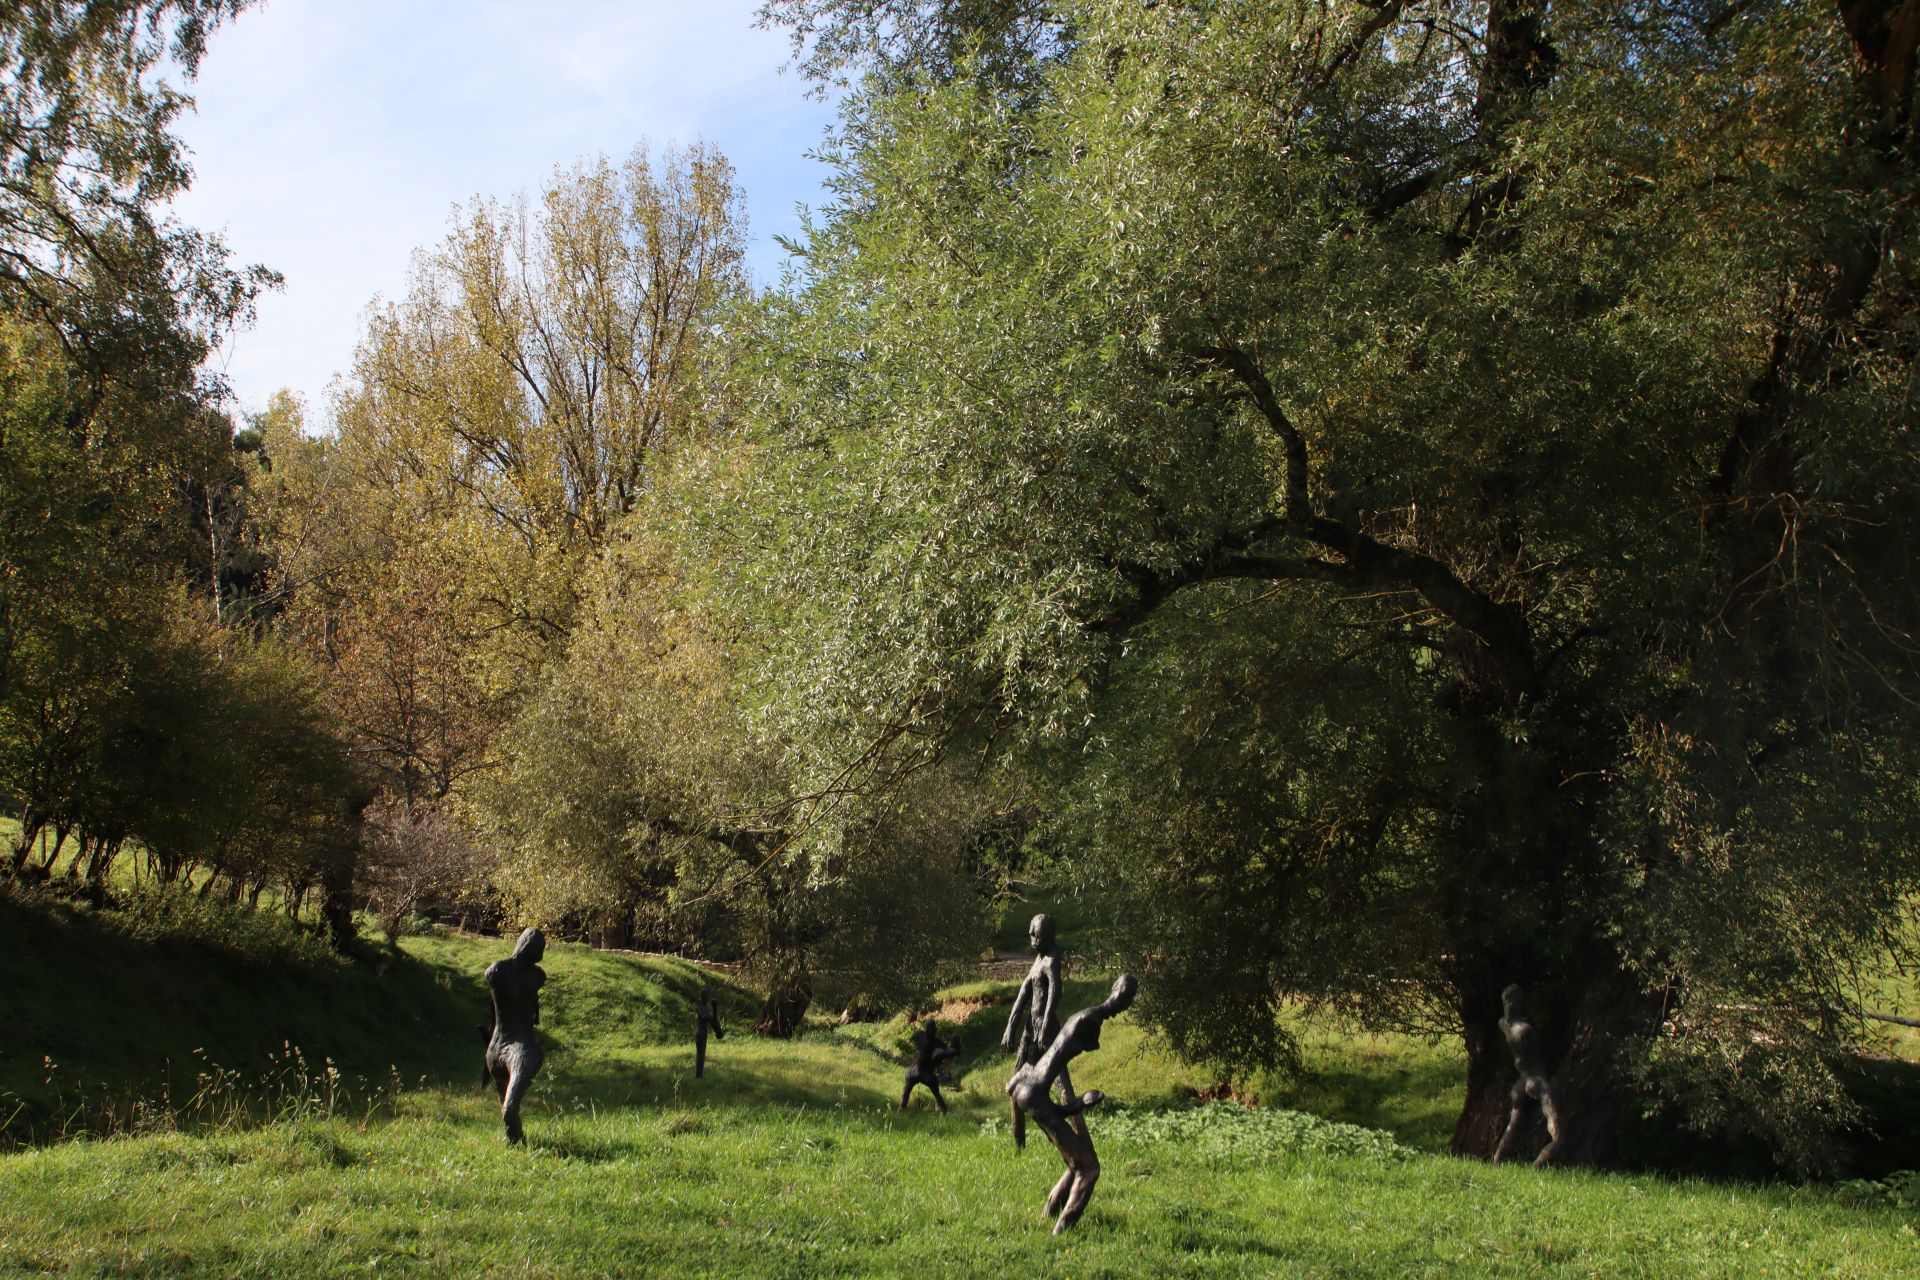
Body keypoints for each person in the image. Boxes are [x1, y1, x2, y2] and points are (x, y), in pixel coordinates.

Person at [1006, 973, 1137, 1234]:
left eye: (1128, 997)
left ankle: (1049, 1212)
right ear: (1114, 991)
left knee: (1075, 1160)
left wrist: (1079, 1103)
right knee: (1089, 1169)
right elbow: (1056, 1060)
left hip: (1031, 1091)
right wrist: (1074, 1102)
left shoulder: (1085, 1016)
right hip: (1035, 1092)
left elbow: (1055, 1064)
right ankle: (1061, 1233)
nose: (1125, 1002)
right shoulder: (1089, 1020)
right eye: (1124, 995)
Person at [1000, 912, 1081, 1148]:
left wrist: (1045, 1026)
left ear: (1047, 935)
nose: (1032, 938)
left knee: (1061, 1082)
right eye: (1031, 934)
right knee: (1015, 1083)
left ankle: (1078, 1133)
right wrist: (1010, 1027)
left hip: (1047, 1030)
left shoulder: (1051, 960)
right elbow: (1023, 994)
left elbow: (1055, 993)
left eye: (1037, 934)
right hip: (1029, 1031)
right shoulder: (1037, 961)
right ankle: (1019, 1142)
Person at [484, 926, 547, 1144]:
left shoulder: (538, 976)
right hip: (497, 1047)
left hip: (522, 1049)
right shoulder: (497, 971)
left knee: (509, 1109)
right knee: (507, 1108)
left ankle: (518, 1145)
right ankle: (516, 1145)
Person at [1492, 982, 1566, 1167]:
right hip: (1537, 1080)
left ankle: (1498, 1160)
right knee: (1559, 1136)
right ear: (1519, 1002)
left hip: (1521, 1082)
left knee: (1514, 1124)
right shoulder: (1525, 1030)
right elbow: (1544, 1053)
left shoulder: (1503, 1024)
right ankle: (1537, 1167)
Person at [900, 1016, 961, 1113]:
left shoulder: (921, 1036)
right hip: (926, 1073)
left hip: (917, 1071)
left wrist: (954, 1046)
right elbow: (950, 1052)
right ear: (935, 1030)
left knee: (908, 1087)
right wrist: (955, 1045)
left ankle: (901, 1108)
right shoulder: (937, 1043)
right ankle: (943, 1111)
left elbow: (914, 1036)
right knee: (936, 1093)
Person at [694, 987, 725, 1078]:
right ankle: (698, 1075)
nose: (707, 999)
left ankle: (700, 1074)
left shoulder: (705, 1009)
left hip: (704, 1033)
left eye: (707, 996)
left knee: (702, 1054)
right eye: (705, 996)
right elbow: (706, 1018)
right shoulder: (700, 1008)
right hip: (700, 1033)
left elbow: (713, 1021)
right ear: (702, 997)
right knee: (700, 1054)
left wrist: (715, 1008)